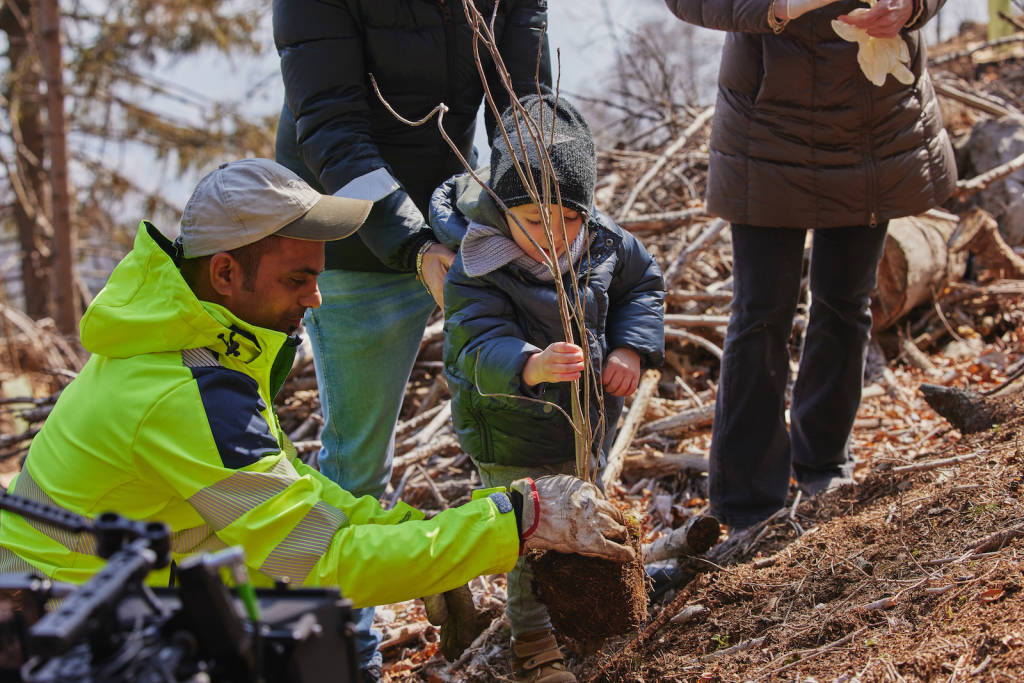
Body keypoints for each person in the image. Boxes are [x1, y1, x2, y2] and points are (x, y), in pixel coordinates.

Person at [0, 160, 634, 641]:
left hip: (98, 593)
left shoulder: (189, 344)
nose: (316, 297)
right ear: (225, 274)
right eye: (297, 278)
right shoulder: (184, 393)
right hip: (62, 629)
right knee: (313, 635)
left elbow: (303, 501)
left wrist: (436, 536)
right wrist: (515, 522)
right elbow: (319, 557)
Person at [272, 5, 551, 669]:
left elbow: (523, 96)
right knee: (358, 461)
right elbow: (331, 128)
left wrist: (541, 200)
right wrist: (414, 246)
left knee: (521, 413)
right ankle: (349, 650)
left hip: (459, 206)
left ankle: (535, 626)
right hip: (349, 237)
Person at [660, 0, 957, 530]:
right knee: (760, 314)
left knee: (845, 303)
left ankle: (825, 467)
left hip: (874, 128)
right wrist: (775, 7)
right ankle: (749, 503)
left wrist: (910, 7)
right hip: (768, 131)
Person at [431, 94, 665, 683]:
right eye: (536, 222)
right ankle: (533, 642)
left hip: (586, 421)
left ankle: (597, 621)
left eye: (570, 219)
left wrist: (631, 348)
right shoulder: (478, 261)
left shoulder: (605, 240)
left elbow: (644, 285)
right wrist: (528, 365)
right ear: (503, 207)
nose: (556, 236)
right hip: (510, 434)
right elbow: (472, 344)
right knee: (528, 536)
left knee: (585, 516)